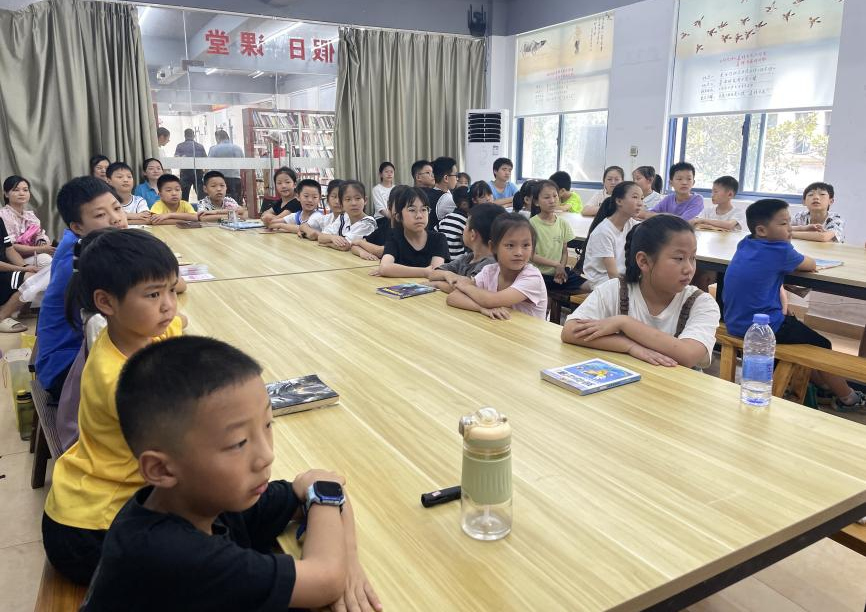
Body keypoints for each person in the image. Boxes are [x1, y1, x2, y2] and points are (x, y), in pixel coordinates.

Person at [81, 336, 381, 612]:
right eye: (239, 442)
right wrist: (326, 503)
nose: (266, 455)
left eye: (268, 425)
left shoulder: (205, 498)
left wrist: (349, 557)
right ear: (161, 469)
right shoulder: (171, 553)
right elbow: (325, 579)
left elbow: (323, 486)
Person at [42, 228, 187, 585]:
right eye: (153, 294)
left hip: (91, 501)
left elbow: (178, 325)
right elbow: (184, 456)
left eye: (171, 289)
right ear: (106, 303)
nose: (168, 305)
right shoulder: (121, 380)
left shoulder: (138, 332)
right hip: (92, 531)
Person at [722, 199, 865, 410]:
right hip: (764, 328)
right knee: (822, 345)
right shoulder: (780, 251)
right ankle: (848, 398)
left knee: (799, 332)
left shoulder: (746, 242)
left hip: (734, 321)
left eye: (790, 222)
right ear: (761, 230)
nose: (790, 228)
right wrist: (790, 246)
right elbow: (811, 264)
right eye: (783, 224)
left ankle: (823, 385)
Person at [562, 215, 721, 368]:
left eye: (692, 257)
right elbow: (570, 331)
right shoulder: (615, 290)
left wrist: (624, 323)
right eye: (679, 258)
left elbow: (688, 354)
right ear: (643, 261)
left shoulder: (701, 302)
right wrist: (629, 346)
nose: (689, 269)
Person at [35, 177, 128, 400]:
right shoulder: (88, 263)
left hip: (66, 355)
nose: (116, 219)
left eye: (117, 208)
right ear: (77, 226)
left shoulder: (77, 242)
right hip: (66, 370)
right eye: (100, 215)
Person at [446, 213, 547, 320]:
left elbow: (491, 300)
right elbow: (453, 297)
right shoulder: (489, 271)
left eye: (526, 245)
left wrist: (465, 286)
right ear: (493, 247)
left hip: (526, 330)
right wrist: (481, 308)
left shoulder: (532, 277)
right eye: (510, 245)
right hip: (497, 327)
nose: (519, 252)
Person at [577, 181, 643, 290]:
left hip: (621, 278)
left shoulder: (631, 224)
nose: (640, 203)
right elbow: (612, 275)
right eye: (635, 197)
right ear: (619, 201)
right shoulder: (603, 232)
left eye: (642, 198)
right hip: (603, 282)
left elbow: (649, 230)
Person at [429, 203, 505, 293]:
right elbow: (433, 274)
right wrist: (447, 274)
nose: (463, 230)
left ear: (472, 234)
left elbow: (468, 290)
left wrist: (437, 284)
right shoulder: (467, 258)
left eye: (465, 225)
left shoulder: (490, 265)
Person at [374, 187, 449, 278]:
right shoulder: (395, 239)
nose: (419, 216)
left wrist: (395, 270)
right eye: (412, 210)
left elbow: (435, 272)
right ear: (398, 217)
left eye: (424, 209)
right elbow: (384, 268)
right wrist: (424, 272)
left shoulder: (438, 239)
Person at [529, 180, 584, 292]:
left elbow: (564, 252)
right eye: (547, 197)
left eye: (555, 196)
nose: (552, 200)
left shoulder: (563, 223)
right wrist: (556, 265)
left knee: (589, 285)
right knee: (545, 289)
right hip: (537, 274)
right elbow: (531, 256)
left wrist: (561, 268)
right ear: (536, 202)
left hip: (558, 272)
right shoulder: (531, 224)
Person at [1, 175, 55, 266]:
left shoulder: (30, 216)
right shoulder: (3, 215)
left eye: (25, 190)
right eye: (16, 190)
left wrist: (42, 243)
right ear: (6, 194)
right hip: (9, 261)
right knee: (45, 260)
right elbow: (10, 246)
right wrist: (40, 249)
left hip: (31, 255)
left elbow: (39, 235)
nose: (21, 193)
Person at [351, 184, 407, 261]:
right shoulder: (384, 224)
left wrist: (360, 242)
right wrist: (362, 253)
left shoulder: (408, 230)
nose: (403, 210)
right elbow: (354, 245)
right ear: (389, 205)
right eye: (400, 205)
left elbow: (383, 251)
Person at [318, 181, 377, 251]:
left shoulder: (368, 222)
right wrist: (332, 238)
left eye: (358, 198)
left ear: (365, 200)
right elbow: (321, 237)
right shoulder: (343, 217)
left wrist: (327, 244)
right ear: (341, 203)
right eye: (348, 199)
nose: (353, 203)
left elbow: (345, 246)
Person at [0, 217, 35, 332]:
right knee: (30, 279)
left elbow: (9, 249)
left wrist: (26, 267)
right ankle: (1, 317)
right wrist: (23, 269)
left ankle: (20, 311)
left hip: (4, 270)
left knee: (34, 278)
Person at [207, 130, 245, 204]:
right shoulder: (238, 148)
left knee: (220, 202)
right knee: (235, 202)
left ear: (218, 138)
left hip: (219, 180)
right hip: (235, 178)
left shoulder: (214, 149)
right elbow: (243, 164)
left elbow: (209, 164)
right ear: (228, 137)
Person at [436, 186, 473, 259]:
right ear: (464, 204)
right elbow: (470, 244)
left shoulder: (447, 217)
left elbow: (436, 231)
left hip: (441, 258)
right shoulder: (465, 221)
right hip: (457, 260)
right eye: (472, 201)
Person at [174, 128, 207, 201]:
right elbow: (205, 160)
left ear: (185, 135)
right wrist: (205, 172)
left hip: (185, 172)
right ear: (194, 135)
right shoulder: (200, 146)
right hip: (198, 172)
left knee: (184, 196)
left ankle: (184, 208)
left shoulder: (180, 146)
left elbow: (176, 159)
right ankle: (203, 207)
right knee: (201, 196)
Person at [430, 156, 459, 228]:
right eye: (456, 175)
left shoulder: (432, 191)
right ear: (446, 178)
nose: (457, 179)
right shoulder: (446, 199)